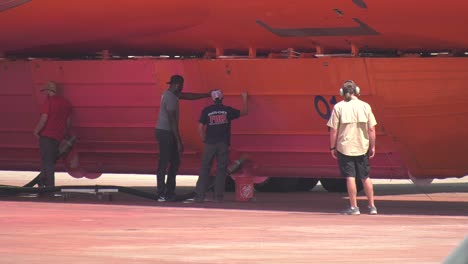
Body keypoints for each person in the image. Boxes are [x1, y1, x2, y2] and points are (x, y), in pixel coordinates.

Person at [155, 75, 211, 201]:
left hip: (167, 132)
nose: (182, 88)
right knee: (164, 162)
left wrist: (207, 94)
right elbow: (172, 120)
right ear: (177, 85)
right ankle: (161, 192)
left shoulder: (172, 94)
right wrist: (179, 141)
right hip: (165, 132)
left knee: (174, 162)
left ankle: (169, 191)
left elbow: (189, 96)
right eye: (182, 85)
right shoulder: (170, 97)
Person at [327, 80, 378, 215]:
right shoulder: (365, 106)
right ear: (357, 91)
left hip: (345, 147)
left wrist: (332, 148)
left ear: (342, 92)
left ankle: (354, 207)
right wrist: (372, 146)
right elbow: (372, 129)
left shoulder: (339, 107)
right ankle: (372, 206)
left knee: (350, 177)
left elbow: (333, 130)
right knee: (365, 176)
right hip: (362, 146)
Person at [194, 90, 248, 202]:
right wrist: (244, 98)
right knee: (221, 170)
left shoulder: (207, 111)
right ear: (222, 98)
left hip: (210, 143)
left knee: (205, 169)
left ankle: (199, 196)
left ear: (213, 99)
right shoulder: (227, 110)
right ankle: (218, 197)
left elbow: (200, 127)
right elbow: (244, 112)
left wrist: (204, 138)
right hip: (223, 144)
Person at [33, 81, 72, 188]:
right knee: (49, 160)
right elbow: (68, 122)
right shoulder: (66, 103)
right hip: (58, 137)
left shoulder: (48, 102)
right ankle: (42, 182)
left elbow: (44, 118)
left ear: (48, 91)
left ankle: (49, 187)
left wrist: (36, 130)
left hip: (46, 135)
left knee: (47, 162)